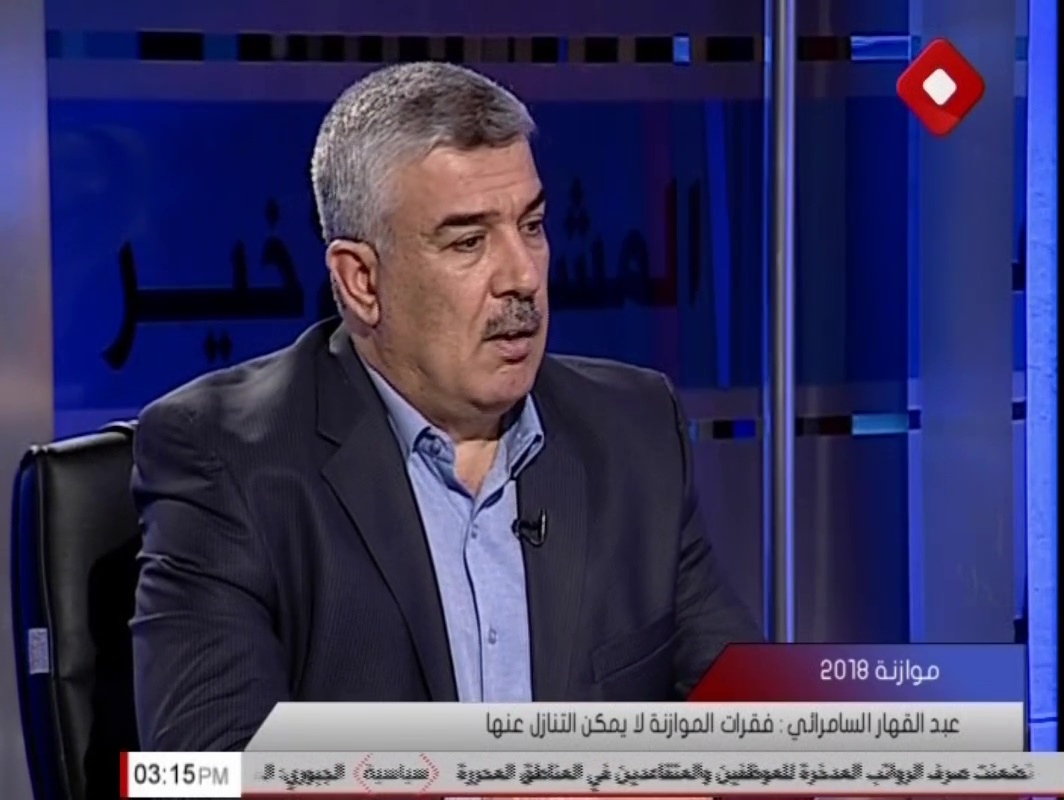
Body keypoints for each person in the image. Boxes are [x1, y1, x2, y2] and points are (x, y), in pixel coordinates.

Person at [131, 61, 760, 752]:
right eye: (468, 241)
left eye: (532, 225)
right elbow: (211, 769)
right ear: (361, 281)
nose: (523, 275)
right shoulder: (227, 462)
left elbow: (758, 728)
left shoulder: (632, 430)